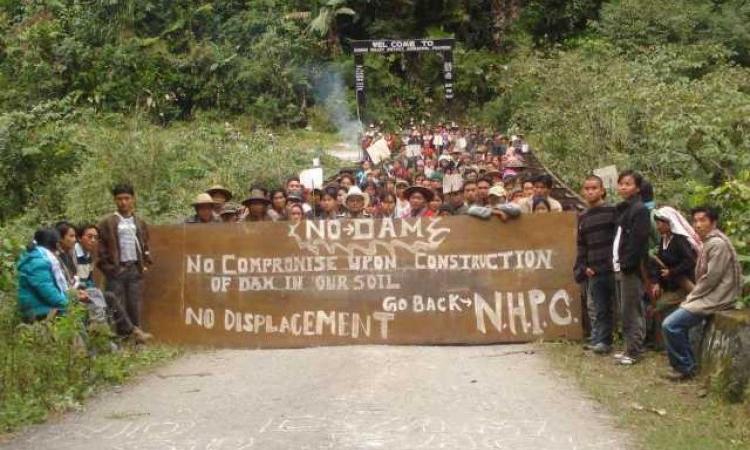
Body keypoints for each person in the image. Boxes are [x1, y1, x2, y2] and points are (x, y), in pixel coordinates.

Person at [661, 207, 742, 381]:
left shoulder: (717, 244)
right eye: (695, 221)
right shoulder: (709, 242)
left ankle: (685, 367)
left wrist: (692, 296)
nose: (698, 225)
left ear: (713, 222)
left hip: (718, 297)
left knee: (670, 325)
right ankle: (687, 364)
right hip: (710, 295)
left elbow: (711, 278)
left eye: (702, 220)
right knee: (676, 323)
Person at [75, 224, 152, 343]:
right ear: (79, 238)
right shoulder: (74, 254)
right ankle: (109, 335)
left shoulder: (88, 255)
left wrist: (92, 290)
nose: (93, 240)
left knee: (109, 297)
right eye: (89, 237)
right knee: (101, 299)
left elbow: (88, 279)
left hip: (86, 292)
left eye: (95, 237)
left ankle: (130, 332)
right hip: (75, 294)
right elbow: (72, 280)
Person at [98, 183, 152, 332]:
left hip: (134, 267)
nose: (123, 202)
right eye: (119, 199)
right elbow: (100, 250)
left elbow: (145, 243)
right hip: (117, 269)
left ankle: (136, 337)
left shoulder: (139, 222)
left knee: (134, 304)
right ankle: (119, 337)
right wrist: (110, 269)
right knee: (117, 304)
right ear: (115, 200)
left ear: (133, 199)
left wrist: (145, 263)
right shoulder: (107, 222)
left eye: (127, 198)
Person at [574, 175, 617, 355]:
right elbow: (581, 244)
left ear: (602, 190)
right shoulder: (583, 216)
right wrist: (584, 266)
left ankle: (627, 341)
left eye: (594, 188)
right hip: (594, 269)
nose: (590, 191)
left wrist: (614, 261)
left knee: (619, 306)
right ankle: (602, 341)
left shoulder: (613, 211)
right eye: (587, 188)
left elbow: (617, 239)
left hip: (613, 268)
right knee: (599, 307)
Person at [612, 170, 650, 365]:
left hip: (631, 268)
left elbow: (639, 240)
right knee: (625, 309)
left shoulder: (640, 209)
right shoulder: (625, 209)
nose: (623, 187)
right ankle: (629, 347)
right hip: (620, 266)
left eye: (628, 184)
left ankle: (634, 351)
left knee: (631, 310)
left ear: (636, 187)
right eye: (621, 183)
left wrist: (628, 263)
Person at [646, 207, 699, 348]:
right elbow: (659, 265)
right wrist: (656, 282)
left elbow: (690, 261)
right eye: (656, 223)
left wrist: (672, 272)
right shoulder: (663, 241)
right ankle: (662, 343)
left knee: (658, 307)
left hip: (683, 285)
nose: (657, 227)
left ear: (669, 223)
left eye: (660, 223)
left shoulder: (679, 240)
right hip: (670, 285)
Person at [17, 228, 71, 321]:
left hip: (42, 307)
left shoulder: (39, 256)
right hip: (39, 311)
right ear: (56, 244)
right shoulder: (38, 261)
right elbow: (48, 291)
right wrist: (68, 304)